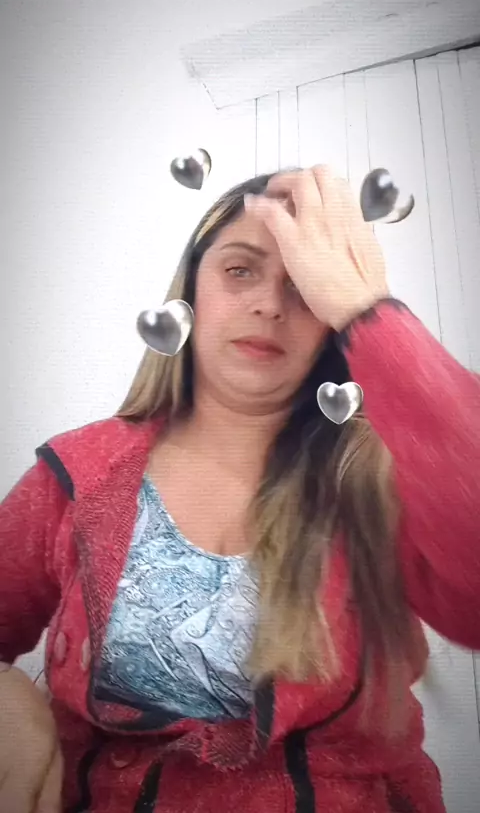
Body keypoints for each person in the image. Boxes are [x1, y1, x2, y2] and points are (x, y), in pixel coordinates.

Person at [0, 165, 479, 813]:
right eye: (240, 269)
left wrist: (366, 308)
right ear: (190, 291)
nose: (271, 305)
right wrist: (9, 699)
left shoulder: (381, 481)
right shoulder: (75, 472)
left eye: (303, 284)